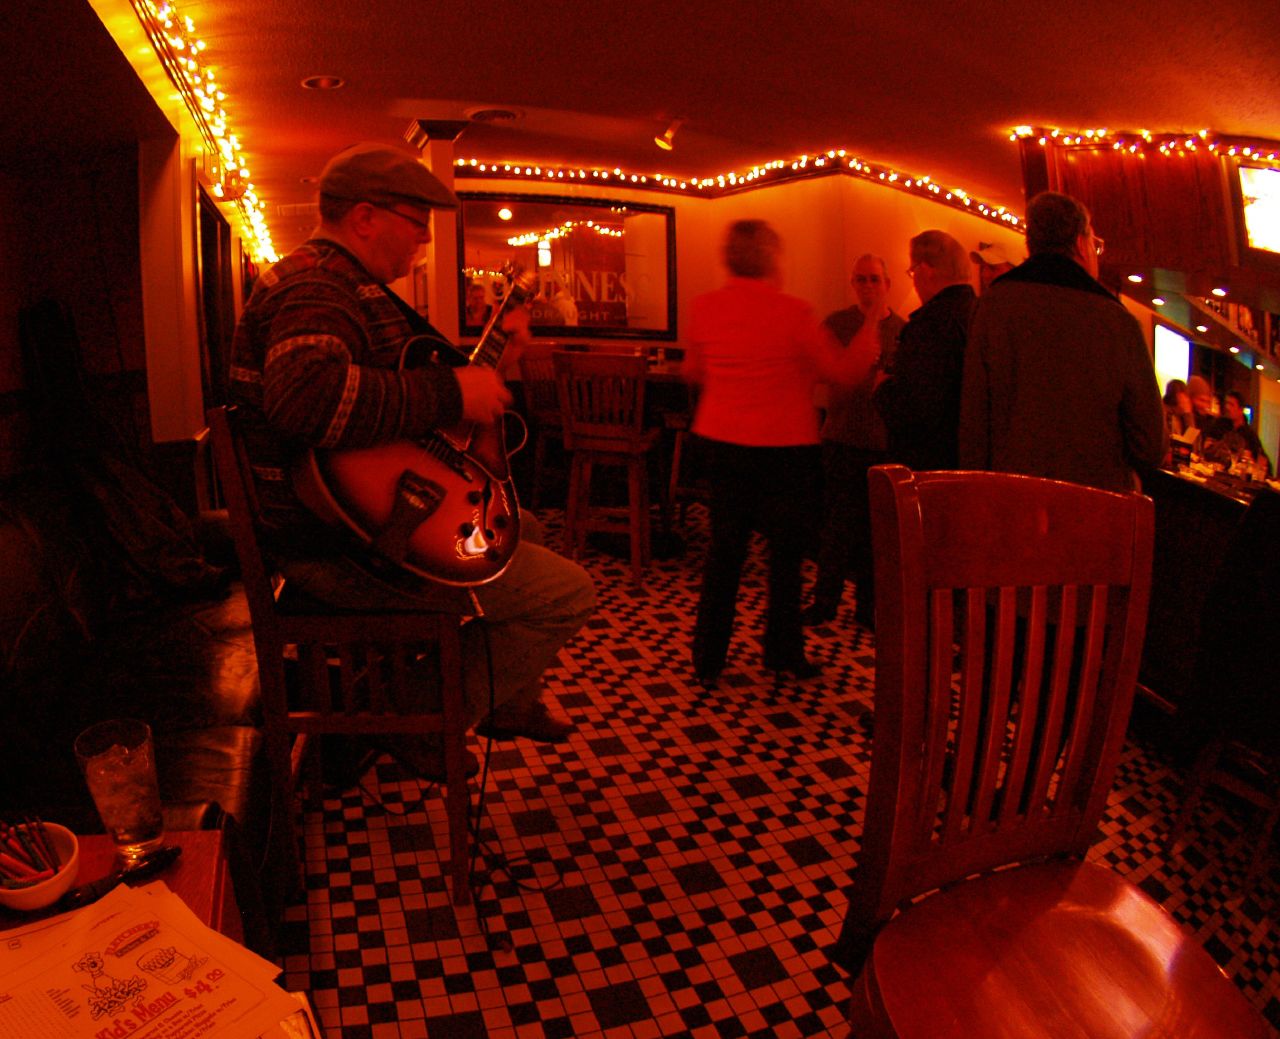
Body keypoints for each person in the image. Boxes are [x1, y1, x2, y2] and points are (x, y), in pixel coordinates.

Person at [228, 142, 596, 780]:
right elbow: (305, 400)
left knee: (521, 528)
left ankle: (506, 697)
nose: (423, 240)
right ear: (365, 218)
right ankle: (417, 714)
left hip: (347, 526)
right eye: (415, 221)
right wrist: (455, 390)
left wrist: (485, 370)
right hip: (335, 547)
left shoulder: (346, 285)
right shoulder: (318, 285)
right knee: (568, 593)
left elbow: (394, 405)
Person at [684, 220, 880, 686]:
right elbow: (844, 373)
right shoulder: (793, 313)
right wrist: (873, 319)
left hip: (723, 444)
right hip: (784, 452)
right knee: (785, 559)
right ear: (772, 258)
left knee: (724, 554)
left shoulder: (706, 307)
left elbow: (693, 369)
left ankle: (708, 659)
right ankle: (781, 652)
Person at [959, 190, 1165, 493]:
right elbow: (1150, 445)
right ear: (1081, 244)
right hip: (1091, 506)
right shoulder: (1118, 323)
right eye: (1096, 245)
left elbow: (973, 427)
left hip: (1010, 502)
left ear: (1032, 244)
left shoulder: (992, 307)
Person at [802, 255, 905, 629]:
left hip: (881, 443)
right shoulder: (837, 323)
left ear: (887, 284)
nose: (867, 286)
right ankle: (825, 602)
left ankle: (867, 608)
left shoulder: (903, 330)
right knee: (836, 527)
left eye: (874, 280)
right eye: (861, 279)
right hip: (842, 436)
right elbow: (820, 372)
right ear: (853, 283)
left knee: (875, 533)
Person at [873, 230, 976, 473]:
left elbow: (916, 411)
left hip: (932, 466)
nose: (914, 281)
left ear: (926, 270)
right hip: (971, 457)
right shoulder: (981, 313)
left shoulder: (929, 325)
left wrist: (882, 389)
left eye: (912, 271)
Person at [1205, 390, 1271, 475]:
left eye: (1231, 404)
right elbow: (1207, 446)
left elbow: (1263, 461)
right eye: (1226, 403)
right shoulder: (1219, 424)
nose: (1227, 407)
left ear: (1241, 409)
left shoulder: (1249, 434)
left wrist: (1254, 463)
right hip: (1213, 471)